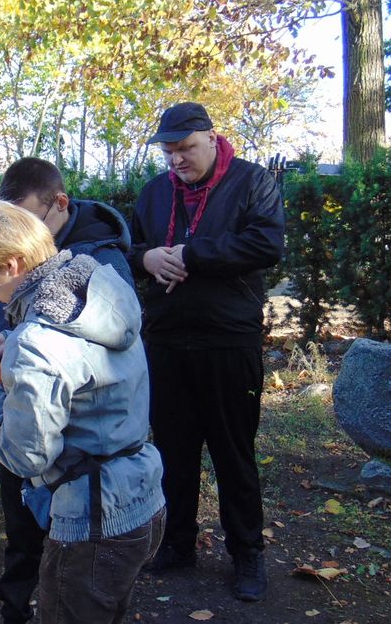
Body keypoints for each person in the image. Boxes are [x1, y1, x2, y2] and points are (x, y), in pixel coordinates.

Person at [0, 199, 165, 624]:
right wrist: (15, 345)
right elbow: (86, 372)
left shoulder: (37, 343)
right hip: (143, 498)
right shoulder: (94, 289)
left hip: (91, 524)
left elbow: (26, 456)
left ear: (11, 264)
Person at [127, 102, 284, 602]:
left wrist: (192, 254)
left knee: (233, 455)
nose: (177, 159)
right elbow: (129, 250)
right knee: (172, 452)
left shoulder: (252, 182)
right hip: (167, 340)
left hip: (228, 339)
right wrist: (149, 259)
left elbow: (266, 244)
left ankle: (247, 554)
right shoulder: (154, 193)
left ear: (212, 139)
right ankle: (177, 544)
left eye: (186, 148)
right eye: (169, 151)